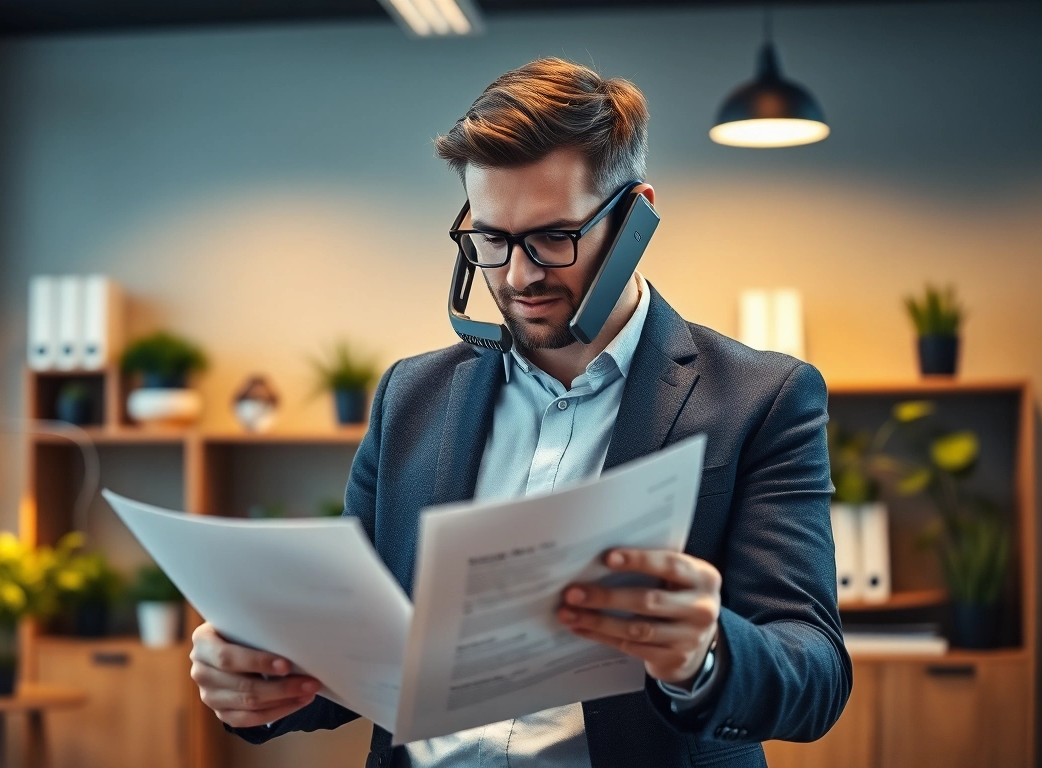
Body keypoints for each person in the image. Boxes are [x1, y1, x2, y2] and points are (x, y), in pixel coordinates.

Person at [189, 58, 850, 768]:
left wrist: (705, 652)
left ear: (636, 216)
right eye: (492, 240)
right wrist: (262, 676)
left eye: (553, 237)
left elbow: (813, 670)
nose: (518, 275)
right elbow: (360, 649)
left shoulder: (761, 398)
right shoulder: (410, 397)